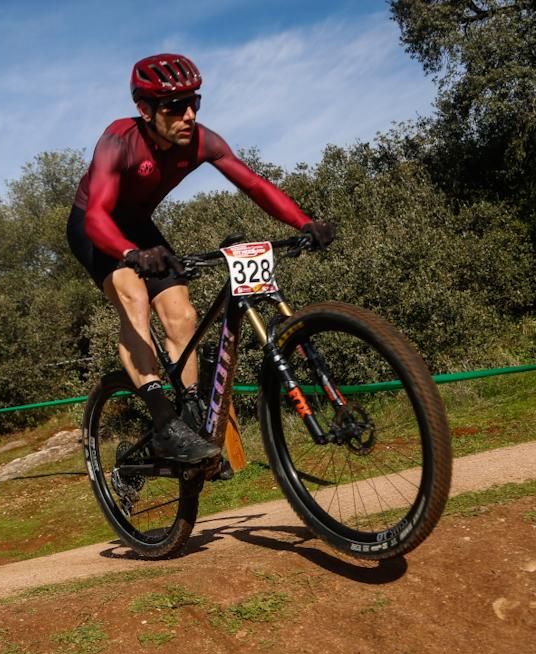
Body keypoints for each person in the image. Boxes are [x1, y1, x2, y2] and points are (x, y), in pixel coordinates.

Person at [67, 53, 336, 462]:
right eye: (175, 107)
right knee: (133, 298)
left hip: (140, 228)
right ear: (144, 110)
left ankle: (191, 416)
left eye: (195, 102)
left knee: (183, 315)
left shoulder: (201, 141)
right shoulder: (118, 141)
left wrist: (305, 222)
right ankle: (163, 425)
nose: (188, 114)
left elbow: (254, 184)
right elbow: (99, 215)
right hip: (96, 228)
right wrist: (130, 253)